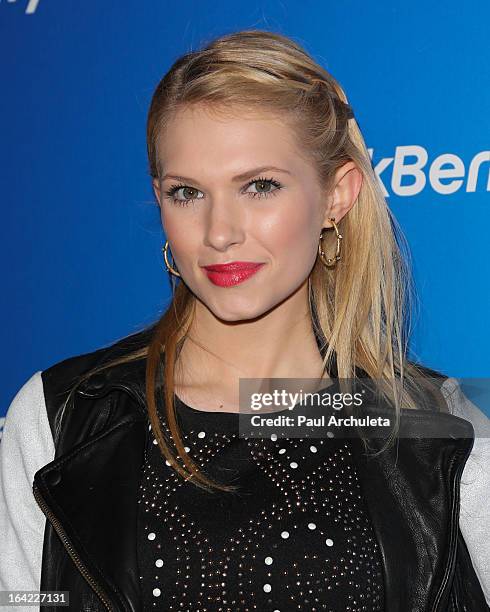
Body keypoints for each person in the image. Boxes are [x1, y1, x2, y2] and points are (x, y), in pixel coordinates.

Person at [1, 29, 489, 612]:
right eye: (187, 193)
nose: (219, 232)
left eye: (259, 187)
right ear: (159, 200)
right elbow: (28, 599)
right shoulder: (67, 412)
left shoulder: (437, 425)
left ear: (337, 196)